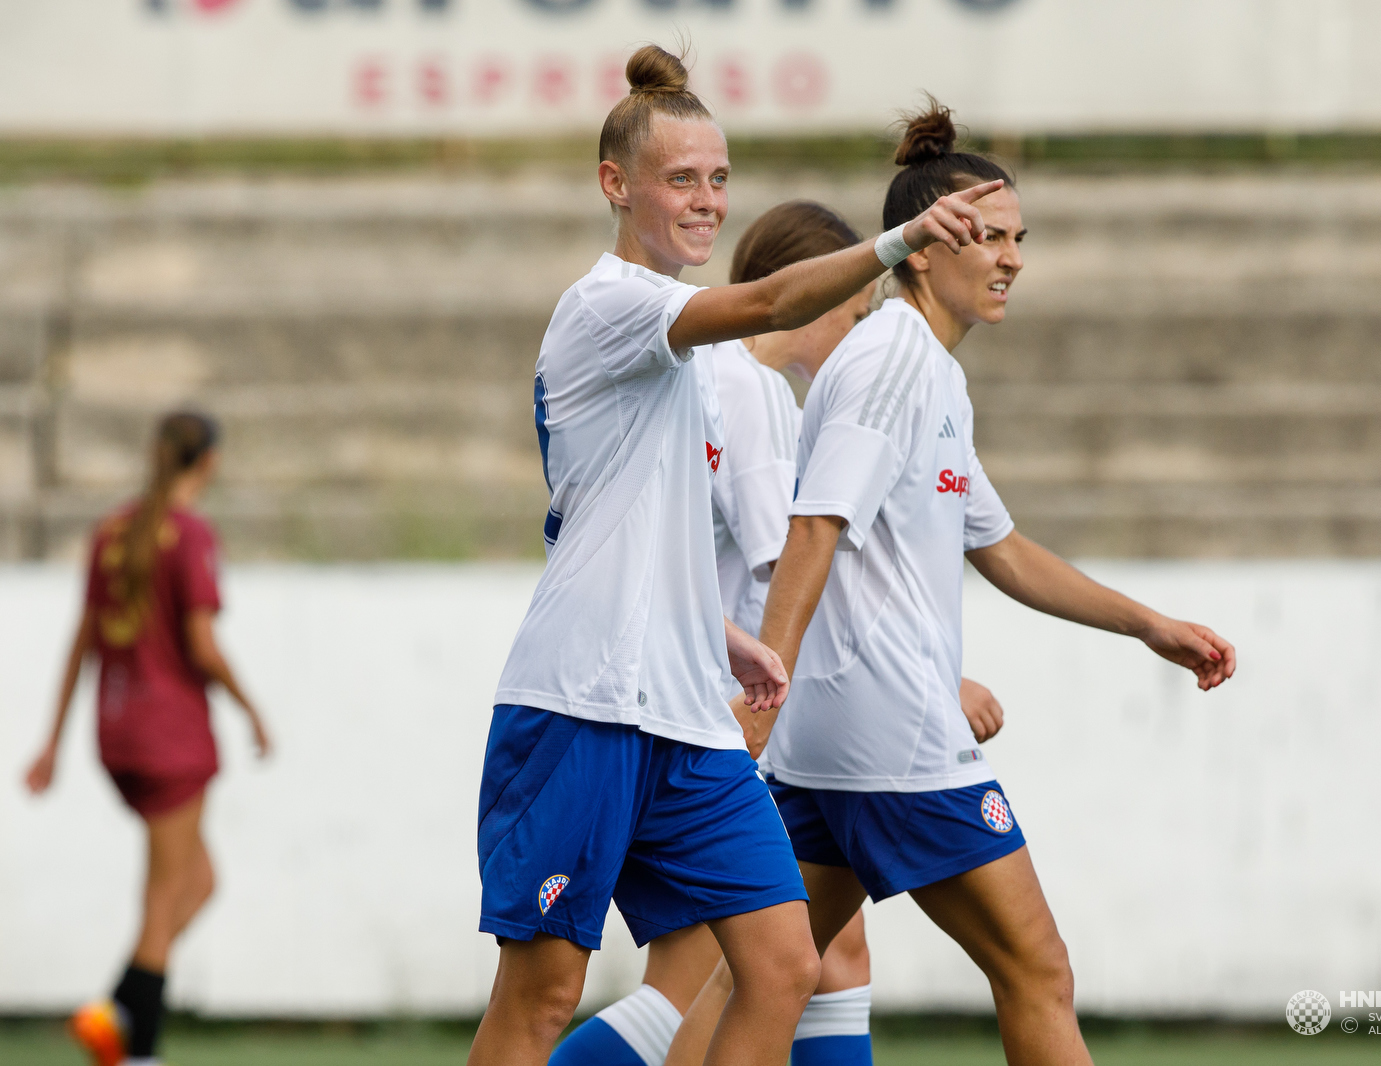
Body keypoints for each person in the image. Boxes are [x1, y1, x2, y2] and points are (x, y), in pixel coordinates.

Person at [465, 46, 1004, 1066]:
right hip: (579, 704)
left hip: (682, 712)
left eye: (718, 179)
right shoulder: (609, 306)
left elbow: (617, 527)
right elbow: (765, 303)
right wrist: (898, 242)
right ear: (614, 186)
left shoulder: (688, 357)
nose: (706, 200)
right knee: (542, 997)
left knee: (784, 958)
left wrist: (720, 634)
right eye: (681, 179)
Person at [669, 102, 1238, 1066]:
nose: (1010, 257)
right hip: (894, 736)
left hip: (831, 743)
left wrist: (1149, 625)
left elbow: (1004, 551)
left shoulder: (929, 371)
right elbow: (815, 529)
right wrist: (769, 681)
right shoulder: (892, 359)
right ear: (925, 250)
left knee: (764, 977)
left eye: (1020, 239)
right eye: (988, 237)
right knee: (1038, 970)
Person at [23, 410, 270, 1066]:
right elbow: (201, 645)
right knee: (165, 900)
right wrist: (252, 709)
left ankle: (117, 1010)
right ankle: (139, 1049)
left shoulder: (112, 531)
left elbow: (83, 639)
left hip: (117, 731)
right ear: (208, 461)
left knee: (198, 882)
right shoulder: (188, 534)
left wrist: (53, 741)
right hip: (172, 738)